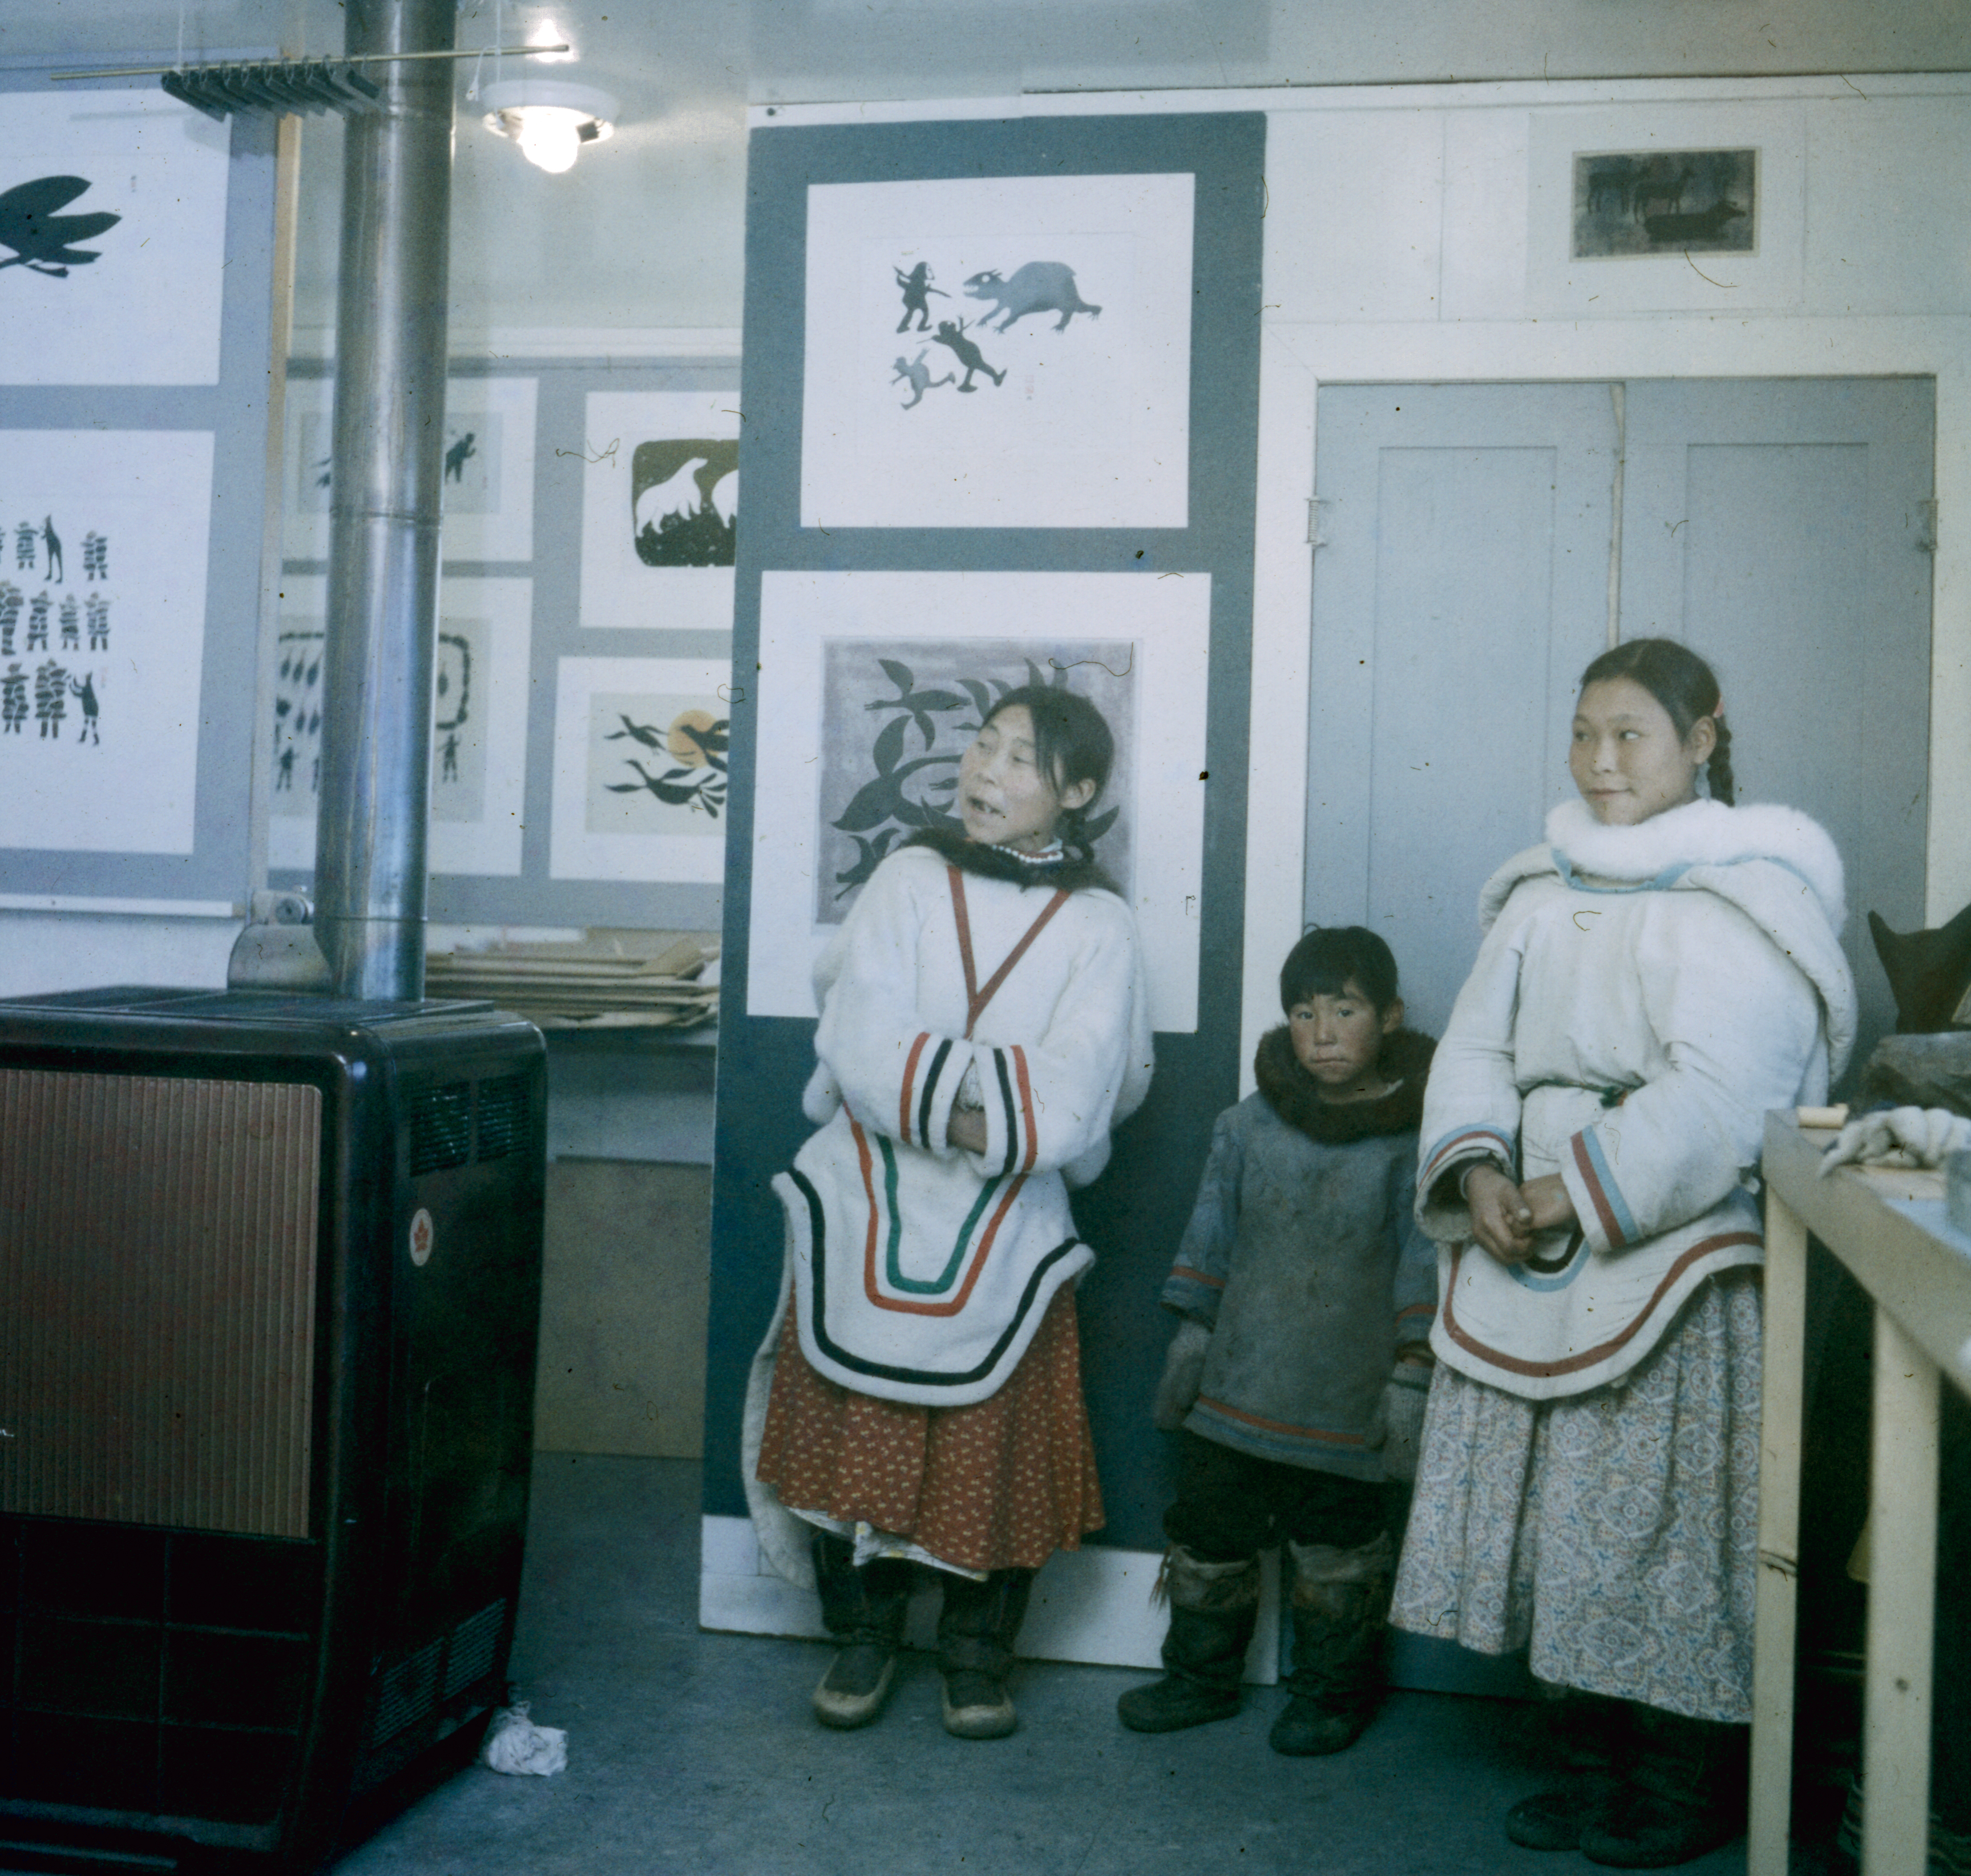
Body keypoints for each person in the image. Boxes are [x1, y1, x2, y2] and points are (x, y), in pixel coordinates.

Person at [1391, 638, 1856, 1868]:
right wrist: (1481, 1170)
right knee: (1564, 1519)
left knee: (1659, 1531)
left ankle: (1681, 1776)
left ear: (1702, 735)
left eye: (1630, 735)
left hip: (1666, 1252)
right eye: (1582, 733)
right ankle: (1589, 1754)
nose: (1599, 763)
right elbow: (1474, 1053)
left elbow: (1723, 1093)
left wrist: (1566, 1190)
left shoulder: (1745, 901)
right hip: (1529, 1232)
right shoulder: (1537, 897)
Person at [745, 682, 1153, 1740]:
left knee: (989, 1445)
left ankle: (977, 1656)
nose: (987, 772)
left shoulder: (1102, 927)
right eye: (983, 746)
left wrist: (963, 1118)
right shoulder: (907, 878)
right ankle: (863, 1636)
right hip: (867, 1198)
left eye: (1021, 759)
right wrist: (981, 1111)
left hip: (1006, 1223)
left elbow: (1079, 1089)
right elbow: (857, 1032)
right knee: (858, 1429)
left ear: (1077, 791)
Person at [1117, 926, 1437, 1754]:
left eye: (1346, 1009)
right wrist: (1192, 1341)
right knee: (1208, 1530)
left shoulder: (1416, 1142)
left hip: (1345, 1396)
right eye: (1303, 1012)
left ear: (1390, 1017)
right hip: (1237, 1384)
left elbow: (1422, 1261)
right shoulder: (1246, 1126)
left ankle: (1331, 1693)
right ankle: (1198, 1678)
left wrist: (1410, 1377)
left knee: (1337, 1552)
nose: (1324, 1032)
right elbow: (1209, 1237)